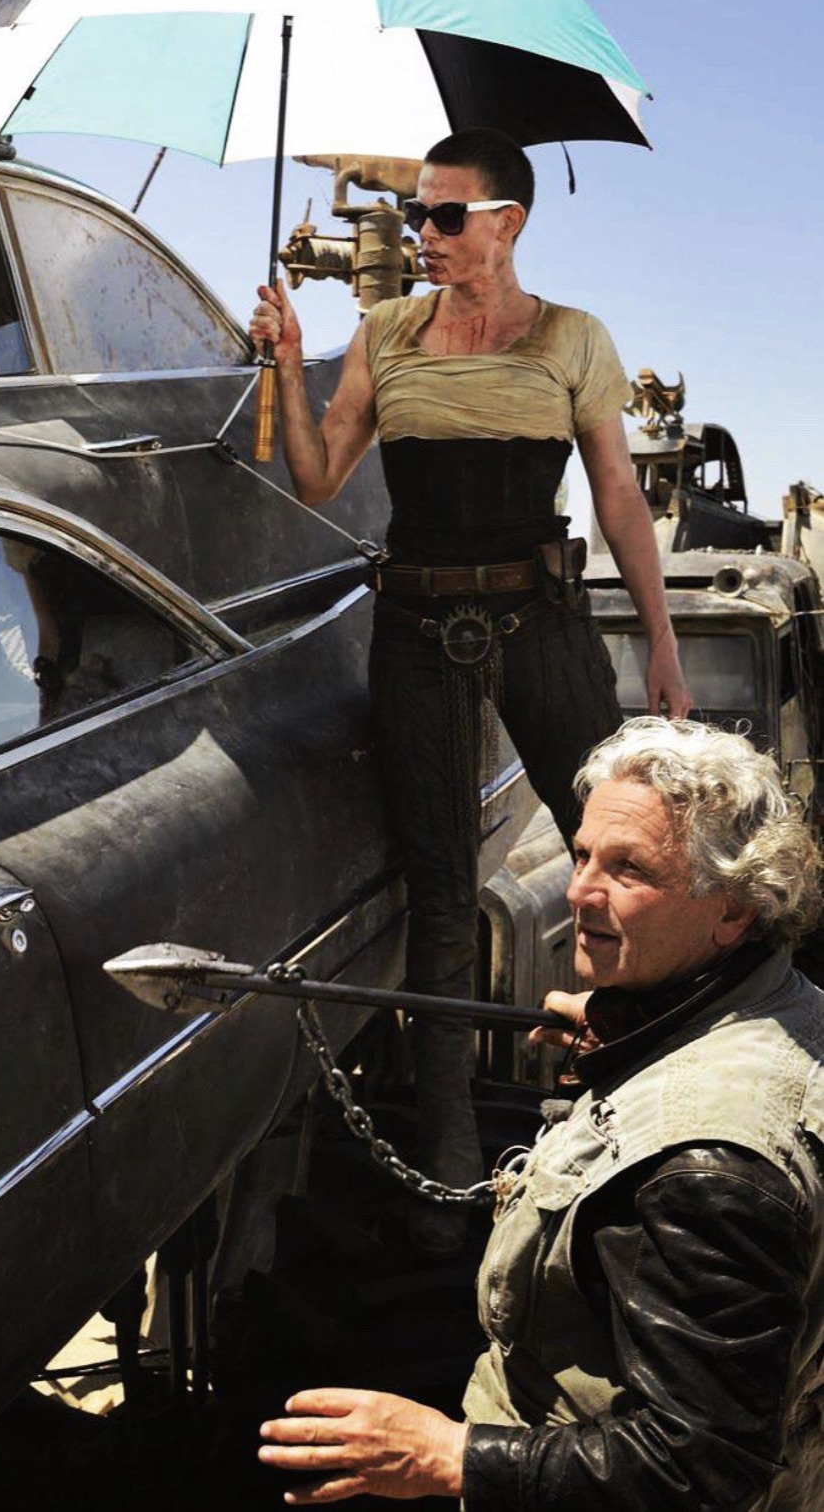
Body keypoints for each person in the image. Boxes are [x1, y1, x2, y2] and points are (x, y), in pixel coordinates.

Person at [248, 127, 692, 1255]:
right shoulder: (384, 334)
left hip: (541, 621)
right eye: (417, 218)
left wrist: (661, 639)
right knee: (442, 897)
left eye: (445, 217)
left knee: (622, 850)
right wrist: (284, 359)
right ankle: (447, 1179)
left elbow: (619, 501)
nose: (423, 237)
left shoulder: (572, 338)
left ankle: (652, 1107)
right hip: (417, 629)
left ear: (507, 221)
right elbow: (314, 475)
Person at [259, 716, 824, 1508]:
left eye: (629, 871)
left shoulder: (707, 1169)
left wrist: (452, 1456)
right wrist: (639, 1029)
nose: (580, 891)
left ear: (731, 910)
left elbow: (698, 1470)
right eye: (584, 853)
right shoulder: (793, 1012)